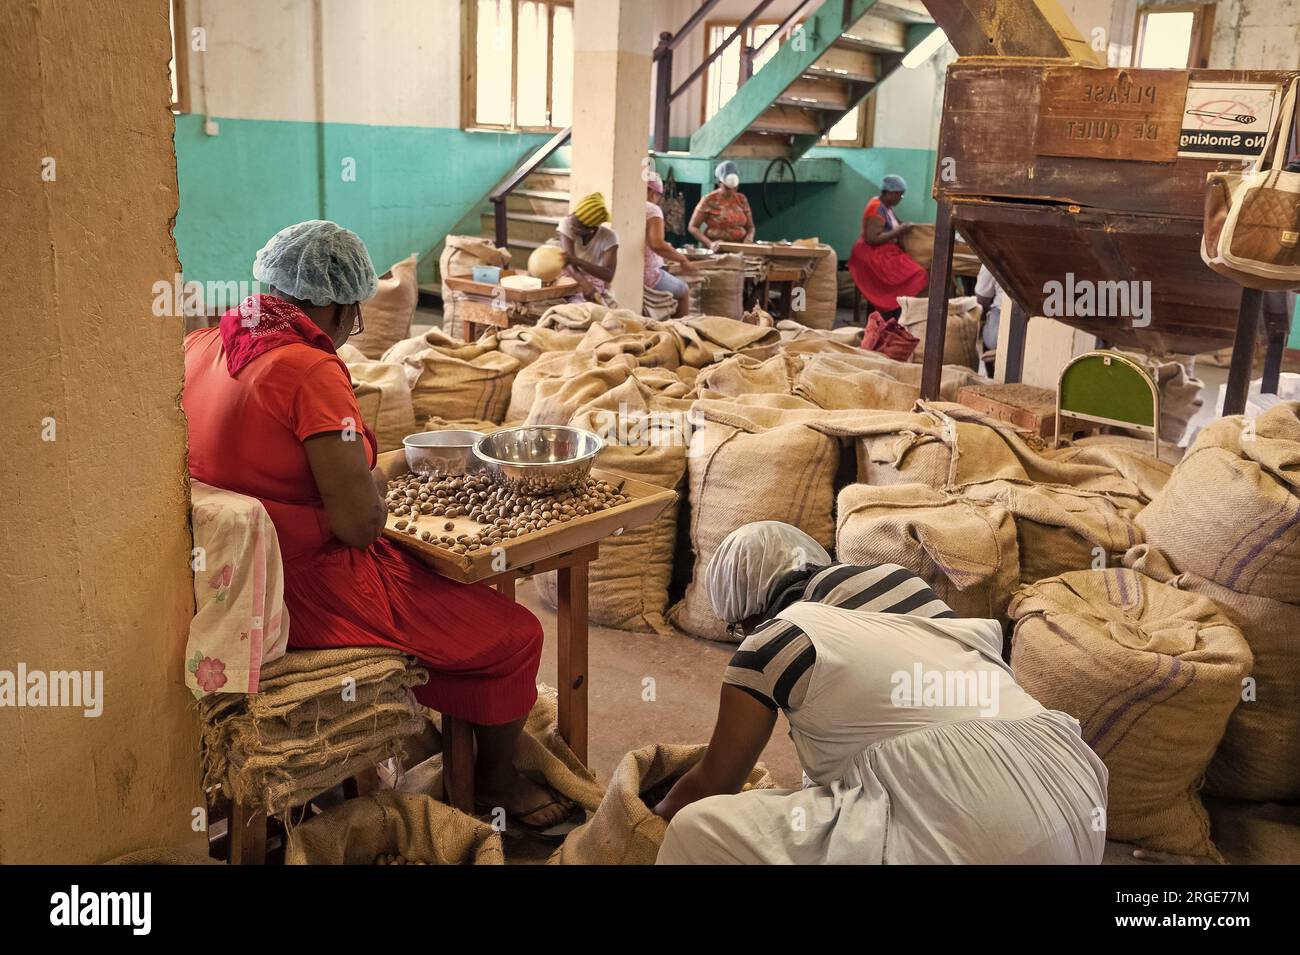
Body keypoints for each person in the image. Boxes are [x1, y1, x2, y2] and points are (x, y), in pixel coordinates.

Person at [183, 221, 578, 835]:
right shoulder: (309, 369)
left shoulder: (205, 347)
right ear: (337, 304)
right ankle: (492, 783)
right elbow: (360, 526)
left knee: (450, 599)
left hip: (230, 584)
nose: (351, 330)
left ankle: (442, 750)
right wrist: (376, 487)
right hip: (306, 589)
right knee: (516, 636)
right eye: (355, 314)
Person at [654, 521, 1109, 865]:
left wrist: (649, 815)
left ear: (748, 610)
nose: (741, 636)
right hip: (1072, 796)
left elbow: (716, 783)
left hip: (980, 826)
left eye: (736, 627)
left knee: (698, 829)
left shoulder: (773, 640)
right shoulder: (905, 587)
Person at [847, 173, 928, 315]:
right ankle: (891, 311)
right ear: (891, 192)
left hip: (884, 251)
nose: (900, 199)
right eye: (900, 195)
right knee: (917, 273)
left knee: (916, 269)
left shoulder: (886, 207)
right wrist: (899, 231)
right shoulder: (876, 207)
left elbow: (894, 224)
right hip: (872, 254)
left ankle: (893, 310)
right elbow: (871, 238)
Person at [549, 192, 619, 305]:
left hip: (594, 280)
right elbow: (569, 263)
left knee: (591, 308)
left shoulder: (609, 237)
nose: (571, 226)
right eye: (572, 218)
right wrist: (585, 285)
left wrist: (577, 261)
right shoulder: (567, 223)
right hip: (570, 275)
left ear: (591, 229)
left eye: (576, 226)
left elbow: (608, 275)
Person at [645, 172, 696, 318]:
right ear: (653, 192)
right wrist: (683, 260)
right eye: (659, 196)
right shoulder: (651, 209)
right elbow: (657, 244)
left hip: (627, 271)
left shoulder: (627, 204)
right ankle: (679, 334)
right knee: (683, 290)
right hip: (647, 276)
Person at [688, 160, 755, 250]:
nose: (731, 192)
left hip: (739, 247)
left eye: (735, 188)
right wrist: (710, 244)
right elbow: (693, 227)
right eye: (727, 188)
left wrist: (749, 238)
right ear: (719, 183)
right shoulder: (709, 200)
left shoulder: (742, 199)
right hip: (717, 248)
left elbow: (751, 227)